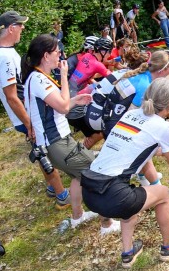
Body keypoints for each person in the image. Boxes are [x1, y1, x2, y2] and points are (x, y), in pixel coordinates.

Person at [81, 77, 169, 267]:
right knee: (163, 194)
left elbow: (143, 147)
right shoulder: (163, 126)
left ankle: (128, 253)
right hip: (112, 195)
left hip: (90, 190)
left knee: (131, 197)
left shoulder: (129, 116)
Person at [22, 34, 118, 234]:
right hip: (57, 144)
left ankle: (77, 216)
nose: (61, 56)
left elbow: (55, 106)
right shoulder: (40, 79)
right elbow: (63, 107)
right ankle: (106, 224)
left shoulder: (36, 77)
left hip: (55, 143)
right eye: (58, 52)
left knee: (79, 176)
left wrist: (76, 100)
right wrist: (65, 77)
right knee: (96, 173)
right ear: (46, 55)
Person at [0, 10, 68, 206]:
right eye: (20, 25)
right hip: (27, 115)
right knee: (44, 152)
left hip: (27, 114)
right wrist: (29, 123)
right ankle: (61, 195)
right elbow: (12, 96)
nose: (23, 28)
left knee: (41, 150)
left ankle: (52, 186)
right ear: (11, 28)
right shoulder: (5, 58)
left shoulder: (0, 52)